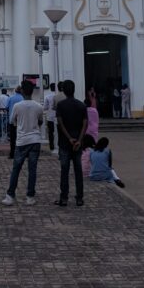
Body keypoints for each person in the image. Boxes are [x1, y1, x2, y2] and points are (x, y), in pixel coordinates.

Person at [1, 79, 44, 206]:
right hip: (35, 140)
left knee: (16, 169)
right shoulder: (38, 106)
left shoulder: (17, 106)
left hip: (22, 140)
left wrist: (20, 124)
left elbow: (12, 121)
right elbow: (40, 121)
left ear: (22, 91)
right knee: (32, 170)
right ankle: (30, 196)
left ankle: (10, 195)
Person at [55, 79, 88, 207]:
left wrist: (69, 138)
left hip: (65, 142)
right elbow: (85, 123)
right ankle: (79, 198)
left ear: (64, 91)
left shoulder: (61, 105)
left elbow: (60, 122)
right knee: (78, 171)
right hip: (77, 144)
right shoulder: (81, 105)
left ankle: (64, 198)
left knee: (64, 171)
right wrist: (79, 140)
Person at [6, 86, 23, 160]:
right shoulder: (23, 98)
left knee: (13, 138)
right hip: (21, 120)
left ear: (15, 91)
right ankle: (22, 153)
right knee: (22, 137)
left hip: (12, 120)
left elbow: (6, 107)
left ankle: (12, 154)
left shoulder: (11, 98)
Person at [43, 83, 57, 151]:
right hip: (58, 117)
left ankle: (52, 146)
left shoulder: (47, 96)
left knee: (50, 132)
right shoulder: (58, 96)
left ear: (50, 88)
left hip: (50, 117)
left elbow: (45, 107)